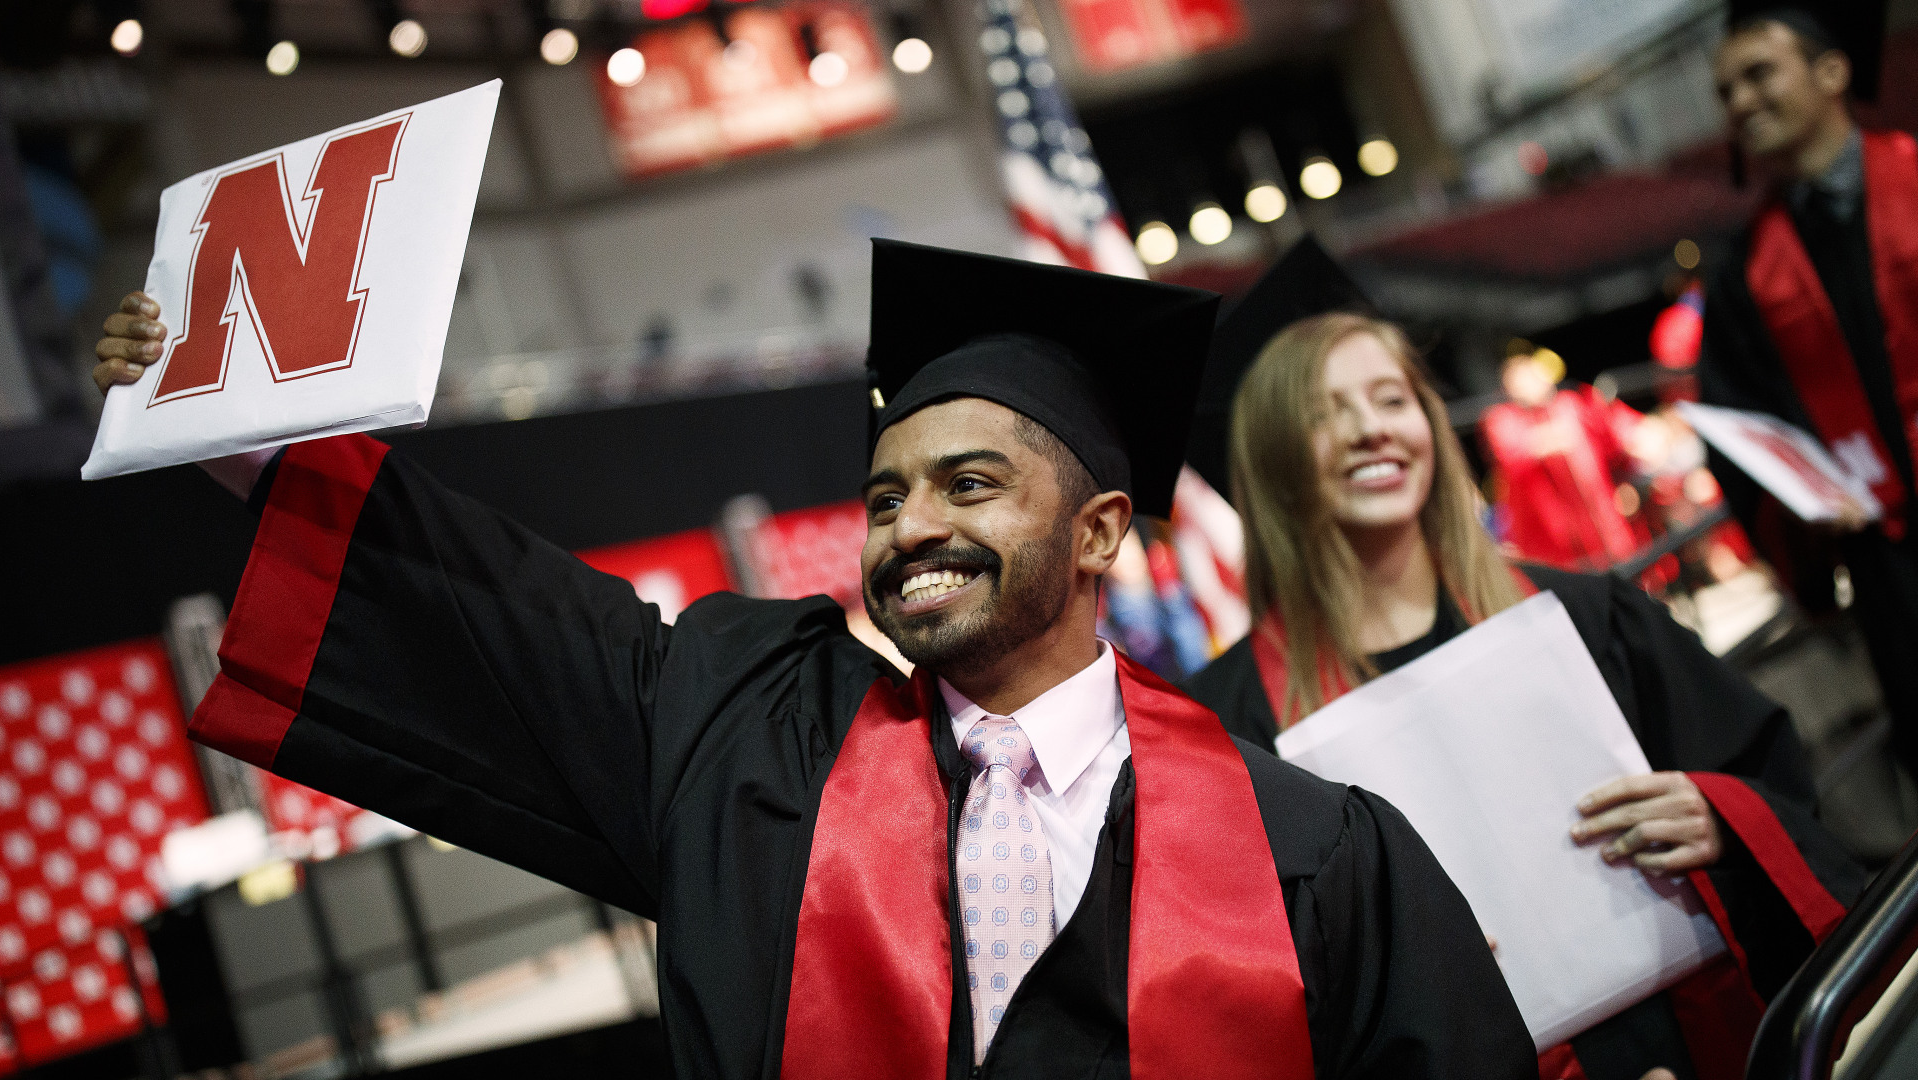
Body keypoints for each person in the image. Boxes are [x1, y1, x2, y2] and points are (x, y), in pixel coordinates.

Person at [92, 240, 1535, 1079]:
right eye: (888, 496)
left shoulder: (1315, 847)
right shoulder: (755, 748)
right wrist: (248, 444)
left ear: (1100, 531)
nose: (912, 528)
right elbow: (510, 615)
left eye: (970, 484)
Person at [1180, 301, 1865, 1080]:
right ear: (1274, 457)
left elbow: (1771, 783)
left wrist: (1722, 819)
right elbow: (1249, 990)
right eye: (1324, 413)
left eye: (1392, 399)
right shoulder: (1228, 725)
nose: (1372, 429)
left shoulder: (1583, 615)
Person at [1696, 1, 1918, 779]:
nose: (1739, 102)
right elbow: (1738, 432)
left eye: (1759, 74)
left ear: (1832, 71)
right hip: (1898, 581)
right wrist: (1808, 507)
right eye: (1726, 90)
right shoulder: (1744, 281)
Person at [1481, 348, 1652, 572]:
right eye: (1520, 379)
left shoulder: (1570, 405)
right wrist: (1552, 438)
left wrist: (1640, 435)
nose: (1529, 384)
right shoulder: (1502, 420)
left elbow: (1615, 434)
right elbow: (1514, 454)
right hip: (1553, 544)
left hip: (1604, 528)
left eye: (1533, 375)